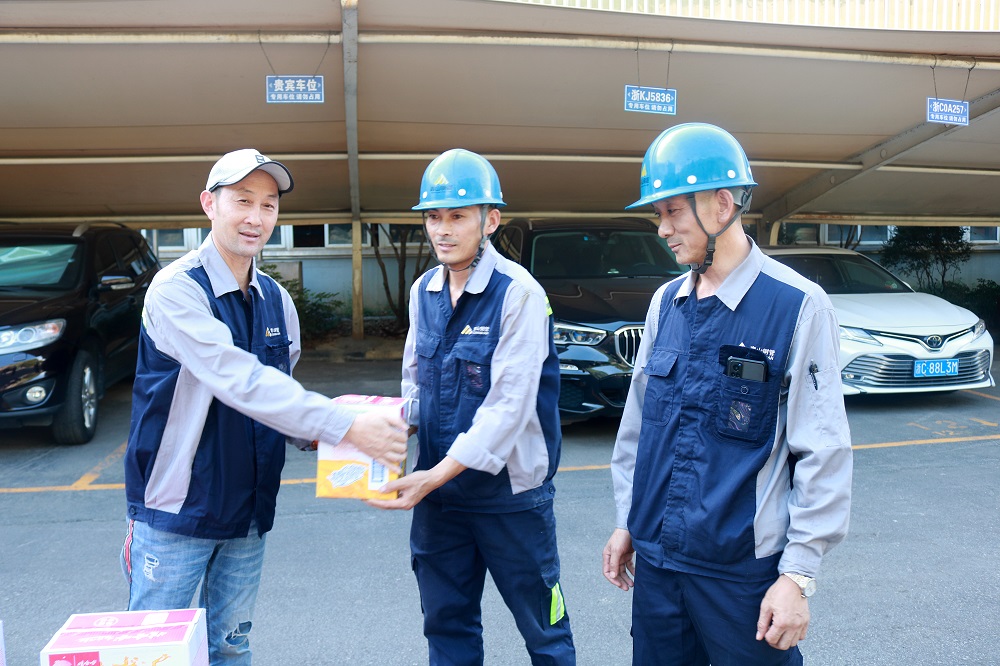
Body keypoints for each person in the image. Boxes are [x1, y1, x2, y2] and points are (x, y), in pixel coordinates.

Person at [121, 148, 408, 665]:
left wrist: (344, 439)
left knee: (232, 649)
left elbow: (279, 396)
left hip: (248, 511)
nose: (256, 217)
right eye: (242, 201)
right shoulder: (176, 290)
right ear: (209, 204)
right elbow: (239, 379)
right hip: (176, 511)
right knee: (155, 654)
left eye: (269, 205)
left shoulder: (276, 299)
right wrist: (343, 425)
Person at [601, 123, 853, 665]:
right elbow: (638, 430)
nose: (662, 229)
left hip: (743, 575)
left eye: (673, 211)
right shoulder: (666, 303)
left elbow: (823, 450)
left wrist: (798, 576)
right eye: (658, 214)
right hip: (658, 563)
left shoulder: (797, 306)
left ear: (721, 205)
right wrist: (627, 521)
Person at [367, 149, 576, 665]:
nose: (442, 230)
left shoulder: (519, 294)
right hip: (441, 501)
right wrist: (365, 427)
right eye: (433, 217)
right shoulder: (423, 291)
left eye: (458, 216)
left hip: (510, 498)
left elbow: (508, 408)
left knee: (545, 631)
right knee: (447, 625)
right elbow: (415, 387)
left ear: (491, 220)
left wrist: (433, 476)